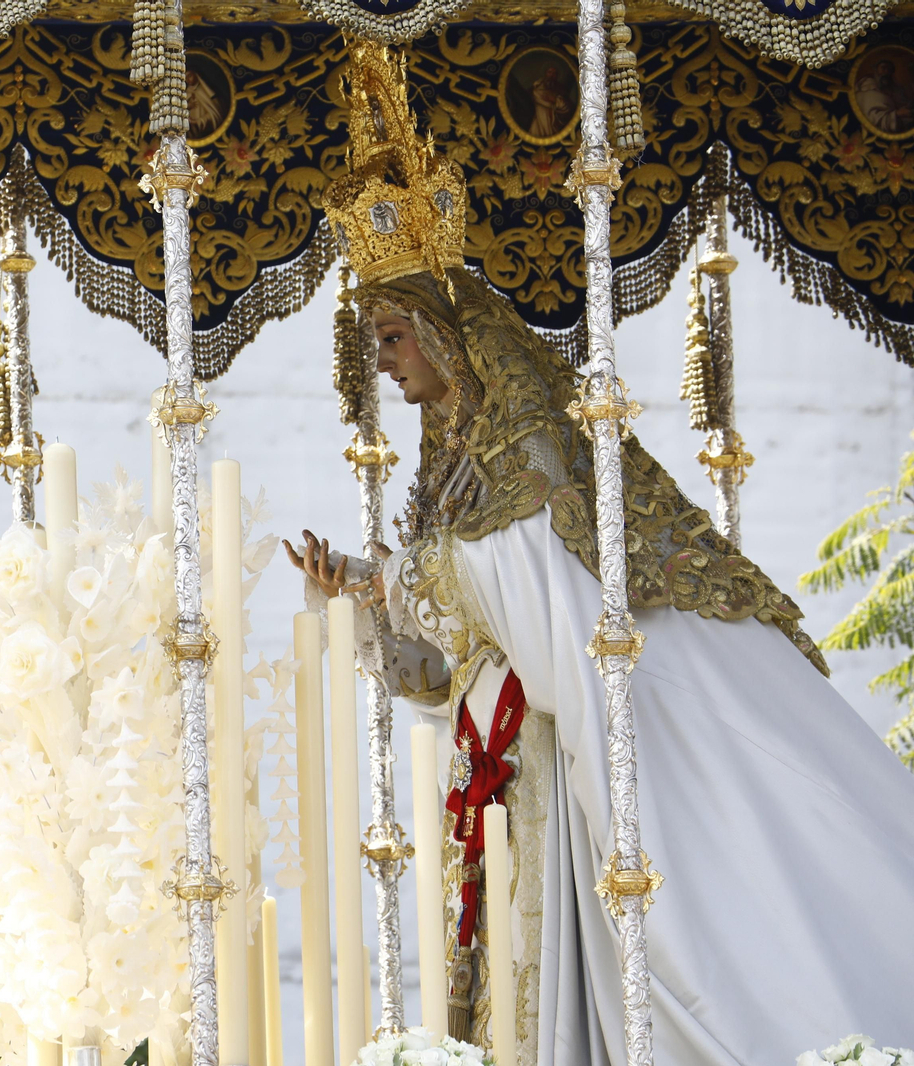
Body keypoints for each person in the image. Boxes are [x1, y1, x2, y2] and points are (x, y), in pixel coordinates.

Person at [300, 38, 914, 1058]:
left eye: (395, 338)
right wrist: (367, 597)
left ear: (447, 338)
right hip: (508, 775)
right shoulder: (452, 483)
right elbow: (447, 663)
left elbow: (539, 628)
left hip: (564, 765)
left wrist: (407, 579)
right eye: (378, 344)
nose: (386, 364)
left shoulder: (524, 463)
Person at [526, 64, 573, 139]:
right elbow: (536, 97)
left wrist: (555, 100)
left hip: (554, 122)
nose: (551, 75)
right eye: (549, 72)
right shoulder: (537, 87)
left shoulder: (561, 90)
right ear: (545, 73)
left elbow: (566, 107)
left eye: (554, 73)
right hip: (539, 121)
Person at [187, 69, 222, 139]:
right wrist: (187, 107)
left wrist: (198, 121)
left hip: (206, 128)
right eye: (185, 78)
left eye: (189, 76)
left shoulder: (205, 91)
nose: (187, 79)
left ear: (196, 75)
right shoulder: (187, 92)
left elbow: (214, 114)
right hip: (191, 130)